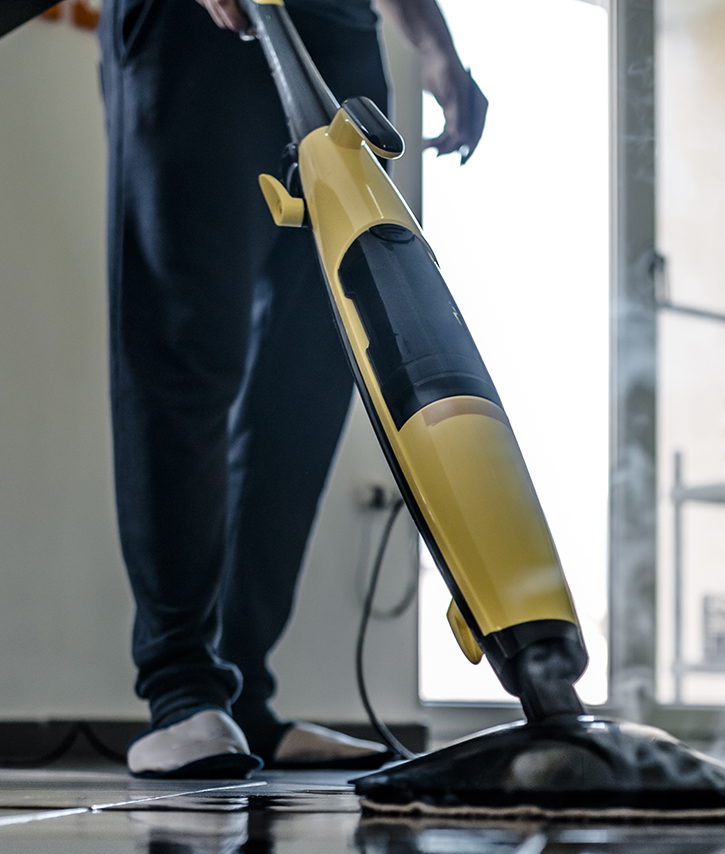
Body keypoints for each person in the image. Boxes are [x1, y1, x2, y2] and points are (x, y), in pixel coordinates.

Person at [99, 0, 486, 777]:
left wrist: (435, 46)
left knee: (312, 374)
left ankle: (243, 693)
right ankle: (182, 689)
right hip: (191, 32)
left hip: (337, 30)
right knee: (187, 346)